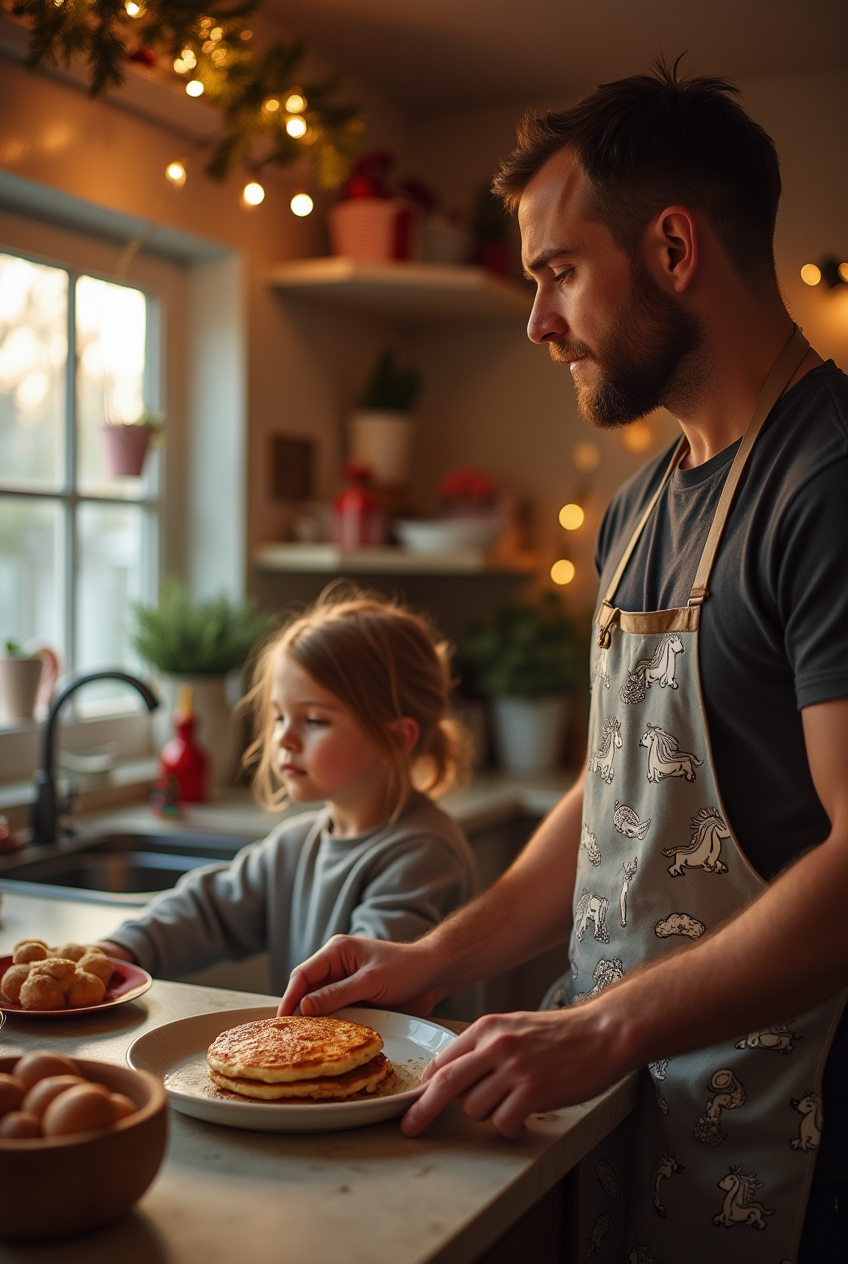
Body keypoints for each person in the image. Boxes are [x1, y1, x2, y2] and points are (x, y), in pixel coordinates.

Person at [279, 62, 848, 1263]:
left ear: (673, 249)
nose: (538, 321)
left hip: (794, 1131)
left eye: (558, 272)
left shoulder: (826, 484)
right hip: (631, 1094)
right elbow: (616, 792)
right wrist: (435, 957)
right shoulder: (634, 512)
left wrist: (602, 1028)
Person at [99, 589, 476, 995]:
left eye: (314, 720)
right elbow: (210, 909)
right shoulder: (294, 845)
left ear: (396, 738)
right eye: (280, 717)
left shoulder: (424, 855)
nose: (284, 738)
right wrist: (120, 951)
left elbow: (364, 989)